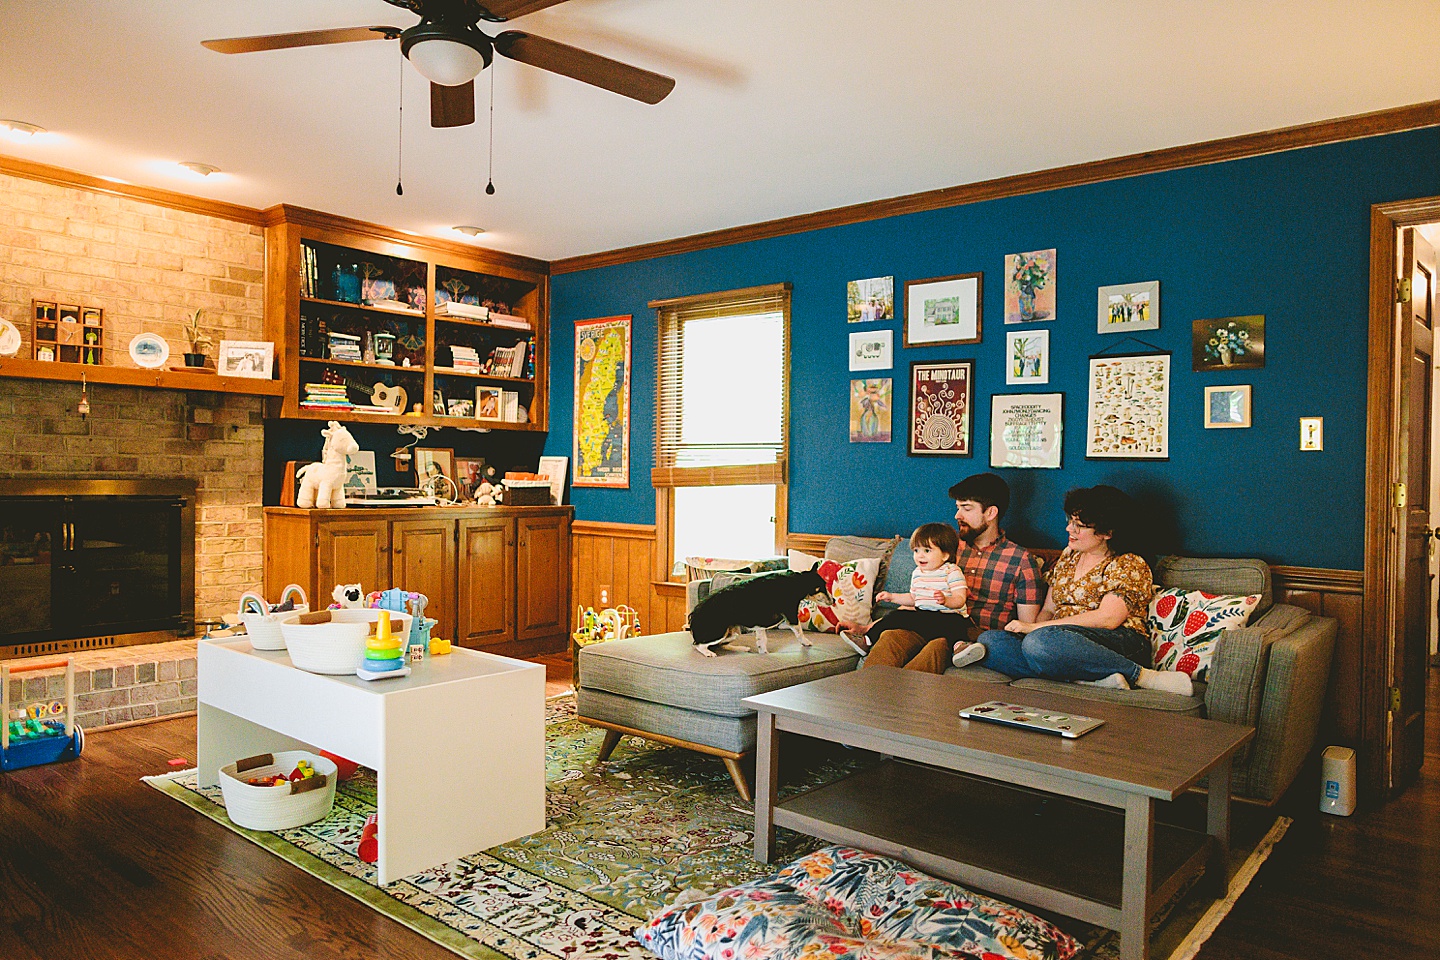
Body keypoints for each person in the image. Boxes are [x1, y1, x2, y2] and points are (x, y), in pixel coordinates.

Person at [976, 485, 1193, 696]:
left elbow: (1108, 619)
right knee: (991, 642)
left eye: (1079, 525)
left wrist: (1036, 629)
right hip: (1058, 642)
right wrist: (1035, 628)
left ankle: (1142, 676)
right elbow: (1049, 609)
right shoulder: (1069, 557)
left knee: (1039, 643)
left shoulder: (1127, 563)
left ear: (1107, 532)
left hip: (1116, 641)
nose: (1069, 529)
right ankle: (1089, 679)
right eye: (1070, 521)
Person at [857, 473, 1043, 674]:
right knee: (890, 638)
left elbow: (1026, 626)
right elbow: (918, 596)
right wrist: (867, 628)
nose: (957, 516)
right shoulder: (944, 548)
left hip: (969, 638)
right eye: (957, 508)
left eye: (966, 508)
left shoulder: (1020, 560)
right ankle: (864, 700)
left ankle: (902, 701)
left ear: (990, 513)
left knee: (935, 648)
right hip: (928, 622)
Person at [845, 523, 980, 668]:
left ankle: (960, 646)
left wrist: (947, 600)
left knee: (954, 625)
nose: (919, 555)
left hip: (948, 615)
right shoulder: (917, 573)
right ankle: (867, 639)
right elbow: (914, 598)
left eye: (927, 550)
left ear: (945, 555)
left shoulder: (951, 571)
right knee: (896, 615)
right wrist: (892, 597)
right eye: (916, 550)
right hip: (924, 616)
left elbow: (960, 599)